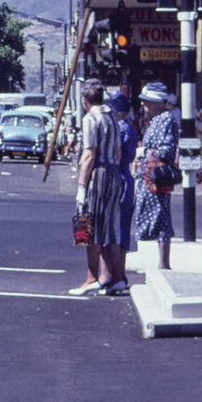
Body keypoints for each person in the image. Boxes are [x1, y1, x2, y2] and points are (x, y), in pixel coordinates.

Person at [69, 80, 126, 296]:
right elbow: (118, 153)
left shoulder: (90, 118)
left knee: (87, 223)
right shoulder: (112, 118)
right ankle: (118, 278)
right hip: (114, 172)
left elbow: (89, 154)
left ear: (85, 100)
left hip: (98, 173)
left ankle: (91, 277)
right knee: (110, 227)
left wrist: (82, 186)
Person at [135, 81, 180, 270]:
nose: (143, 106)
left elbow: (166, 150)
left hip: (155, 176)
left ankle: (164, 262)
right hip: (147, 176)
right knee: (157, 215)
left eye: (146, 102)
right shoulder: (156, 121)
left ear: (155, 103)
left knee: (161, 216)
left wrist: (144, 152)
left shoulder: (165, 120)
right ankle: (162, 261)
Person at [110, 90, 139, 256]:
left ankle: (116, 270)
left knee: (117, 225)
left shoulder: (119, 130)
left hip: (119, 175)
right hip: (126, 176)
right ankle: (120, 268)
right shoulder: (130, 129)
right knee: (124, 223)